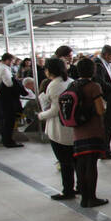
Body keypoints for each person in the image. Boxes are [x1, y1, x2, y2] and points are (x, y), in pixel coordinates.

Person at [36, 57, 77, 200]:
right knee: (74, 161)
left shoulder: (53, 85)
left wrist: (40, 116)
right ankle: (80, 187)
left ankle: (68, 190)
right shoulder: (71, 82)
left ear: (49, 70)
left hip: (59, 128)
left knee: (65, 162)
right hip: (72, 127)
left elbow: (55, 110)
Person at [69, 59, 108, 208]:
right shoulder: (94, 87)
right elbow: (99, 110)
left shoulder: (72, 85)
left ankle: (84, 198)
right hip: (92, 129)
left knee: (81, 164)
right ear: (93, 71)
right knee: (91, 164)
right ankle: (92, 197)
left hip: (77, 130)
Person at [0, 54, 23, 147]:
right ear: (8, 60)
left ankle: (5, 139)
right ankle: (8, 141)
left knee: (3, 120)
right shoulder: (4, 69)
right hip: (6, 98)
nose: (12, 63)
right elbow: (9, 84)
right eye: (12, 61)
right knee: (9, 120)